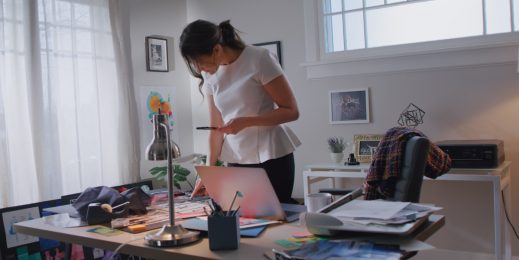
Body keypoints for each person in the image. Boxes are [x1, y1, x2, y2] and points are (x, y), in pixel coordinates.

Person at [179, 19, 300, 203]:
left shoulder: (259, 58)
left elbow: (291, 111)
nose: (199, 69)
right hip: (236, 158)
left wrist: (246, 121)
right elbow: (215, 129)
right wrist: (208, 172)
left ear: (217, 49)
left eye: (201, 62)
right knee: (239, 222)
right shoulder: (209, 75)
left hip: (272, 156)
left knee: (274, 220)